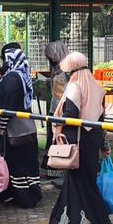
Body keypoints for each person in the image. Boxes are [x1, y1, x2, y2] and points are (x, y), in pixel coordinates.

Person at [48, 52, 113, 224]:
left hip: (76, 141)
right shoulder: (96, 86)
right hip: (93, 138)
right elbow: (101, 119)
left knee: (86, 186)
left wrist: (58, 127)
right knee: (79, 183)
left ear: (72, 71)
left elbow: (70, 114)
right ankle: (68, 223)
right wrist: (104, 145)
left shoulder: (74, 87)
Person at [0, 45, 42, 208]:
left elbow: (6, 108)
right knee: (29, 163)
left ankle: (21, 197)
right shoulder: (23, 75)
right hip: (28, 127)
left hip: (14, 130)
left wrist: (2, 129)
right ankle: (32, 193)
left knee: (16, 163)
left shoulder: (11, 79)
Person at [41, 41, 70, 178]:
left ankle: (58, 168)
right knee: (52, 139)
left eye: (51, 56)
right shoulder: (59, 69)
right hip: (55, 110)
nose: (50, 60)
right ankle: (53, 168)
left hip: (61, 112)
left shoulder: (67, 70)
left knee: (57, 139)